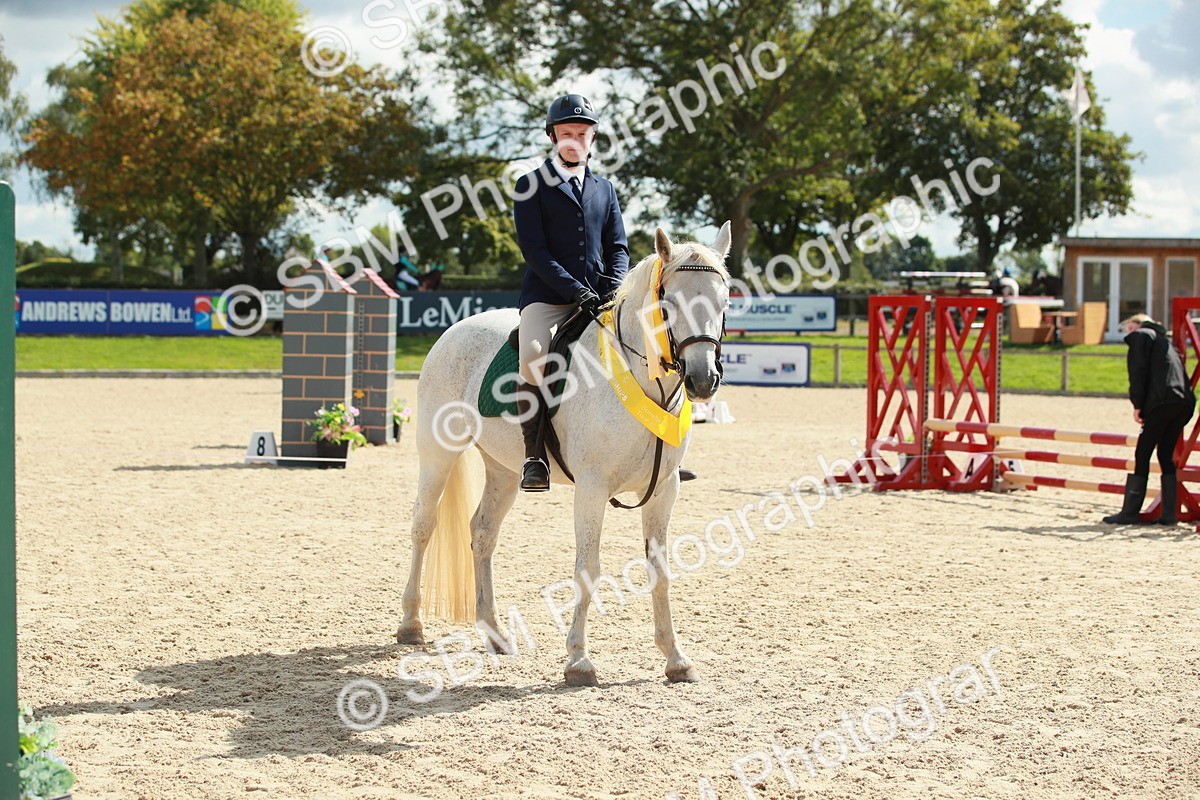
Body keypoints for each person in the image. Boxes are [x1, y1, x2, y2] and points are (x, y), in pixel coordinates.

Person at [511, 93, 630, 492]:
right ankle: (534, 456)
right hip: (548, 298)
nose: (574, 140)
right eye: (567, 134)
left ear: (593, 138)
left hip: (602, 296)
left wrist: (613, 285)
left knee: (648, 346)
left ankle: (652, 454)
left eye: (582, 133)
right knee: (533, 358)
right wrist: (576, 290)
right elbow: (535, 252)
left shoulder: (605, 188)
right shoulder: (530, 185)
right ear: (552, 136)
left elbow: (618, 247)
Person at [1103, 313, 1196, 525]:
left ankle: (1130, 513)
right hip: (1184, 402)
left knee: (1143, 452)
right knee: (1165, 453)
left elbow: (1137, 372)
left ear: (1137, 324)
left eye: (1128, 329)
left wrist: (1137, 404)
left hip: (1161, 401)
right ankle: (1169, 515)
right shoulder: (1166, 341)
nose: (1128, 334)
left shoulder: (1141, 335)